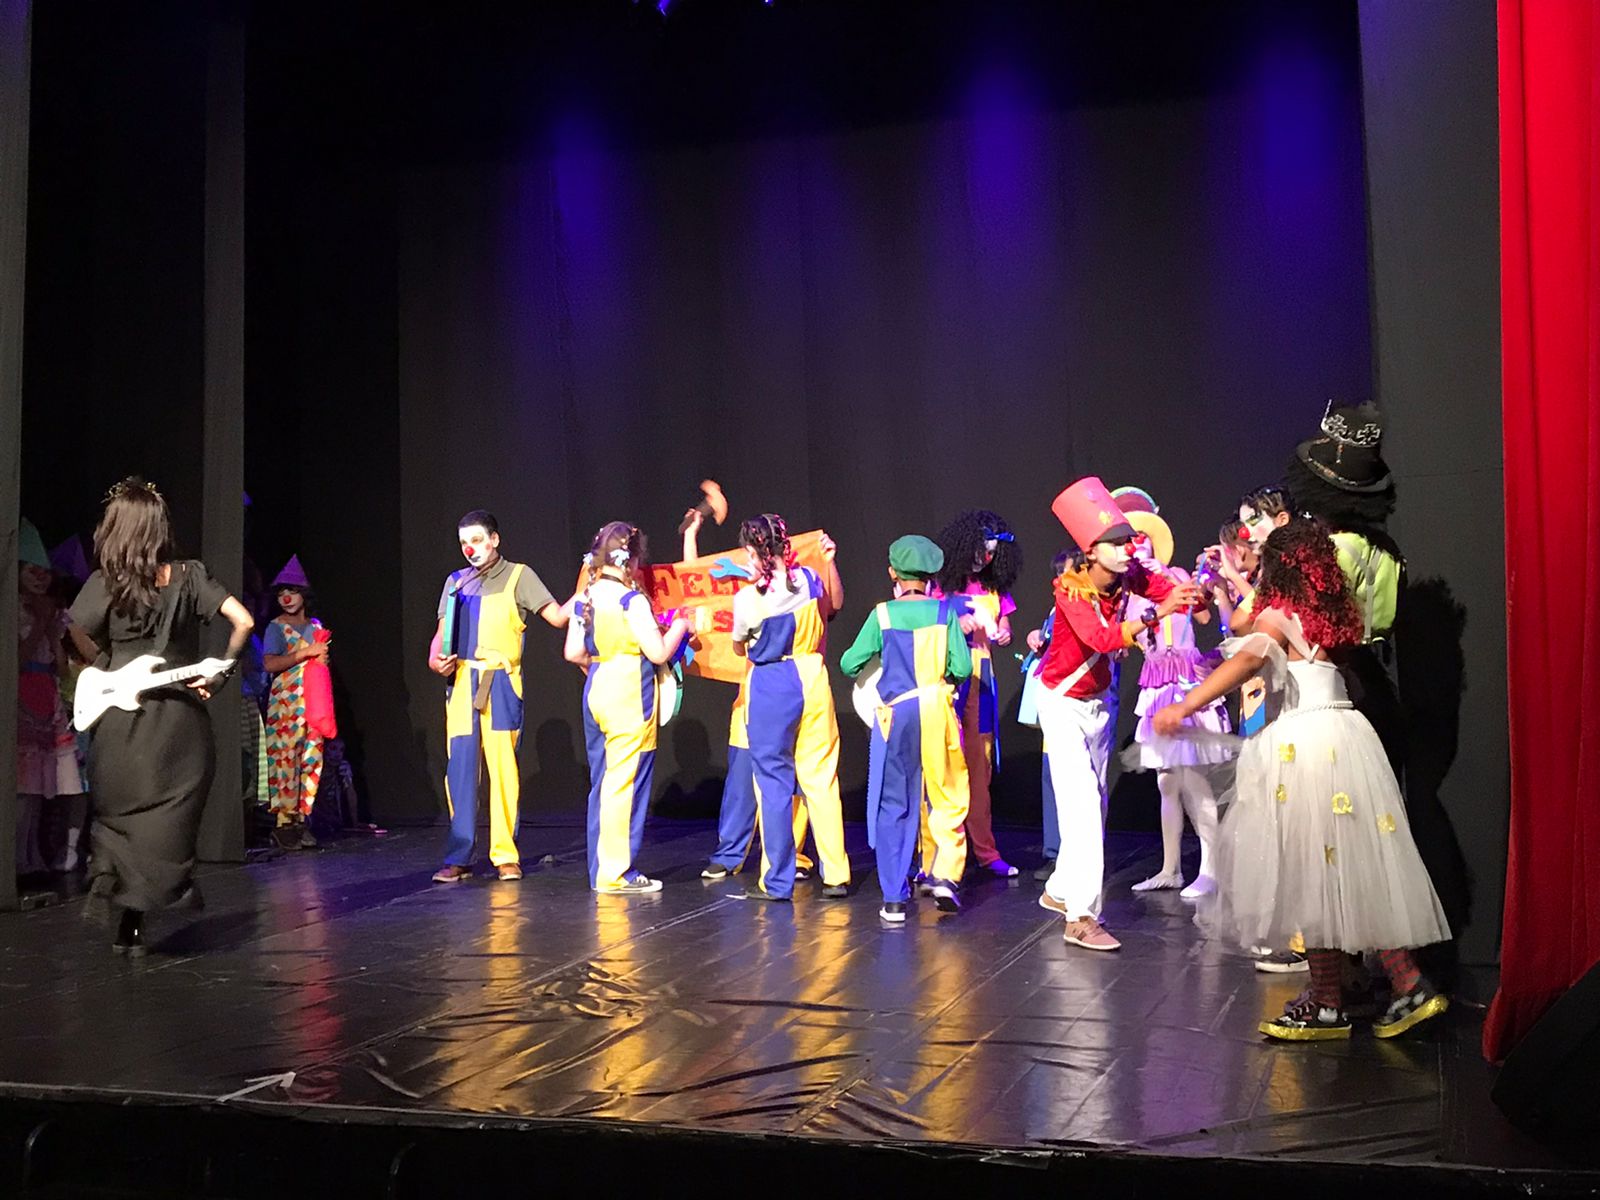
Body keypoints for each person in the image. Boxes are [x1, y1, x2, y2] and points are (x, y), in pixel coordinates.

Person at [1152, 520, 1450, 1041]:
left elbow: (1249, 659)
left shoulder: (1279, 616)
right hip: (1346, 736)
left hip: (1304, 745)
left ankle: (1330, 1001)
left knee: (1308, 872)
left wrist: (1185, 705)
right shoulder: (1335, 616)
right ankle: (1404, 984)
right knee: (1353, 866)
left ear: (1279, 568)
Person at [67, 478, 255, 954]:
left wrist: (104, 665)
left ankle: (119, 905)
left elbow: (74, 631)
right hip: (179, 725)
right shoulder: (190, 576)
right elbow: (244, 621)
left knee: (121, 817)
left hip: (122, 723)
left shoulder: (105, 583)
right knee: (167, 822)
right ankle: (140, 912)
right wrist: (220, 673)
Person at [1036, 478, 1201, 952]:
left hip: (1097, 704)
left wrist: (1194, 592)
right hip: (1062, 704)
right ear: (1091, 551)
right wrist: (1158, 613)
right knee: (1084, 808)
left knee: (1096, 805)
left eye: (1129, 540)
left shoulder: (1130, 576)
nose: (1128, 549)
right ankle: (1081, 917)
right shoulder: (1071, 591)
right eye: (1117, 543)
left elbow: (1167, 586)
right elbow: (1102, 639)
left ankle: (1060, 889)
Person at [429, 510, 566, 884]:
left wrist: (592, 586)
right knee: (460, 771)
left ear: (494, 540)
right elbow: (441, 635)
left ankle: (505, 855)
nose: (470, 549)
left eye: (476, 540)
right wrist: (435, 660)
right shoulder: (456, 582)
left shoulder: (520, 576)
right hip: (461, 683)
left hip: (501, 683)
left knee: (503, 768)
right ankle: (459, 856)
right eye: (464, 543)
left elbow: (557, 617)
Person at [841, 536, 972, 921]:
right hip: (936, 709)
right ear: (931, 576)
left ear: (892, 573)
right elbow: (962, 668)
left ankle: (894, 898)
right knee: (946, 795)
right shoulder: (944, 613)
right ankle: (944, 874)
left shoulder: (881, 615)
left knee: (895, 802)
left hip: (896, 714)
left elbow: (849, 663)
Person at [681, 508, 815, 885]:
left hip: (788, 688)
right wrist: (691, 535)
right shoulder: (743, 589)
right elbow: (696, 584)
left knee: (791, 780)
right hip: (751, 694)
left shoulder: (795, 585)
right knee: (743, 778)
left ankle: (790, 855)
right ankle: (730, 853)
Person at [729, 515, 849, 902]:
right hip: (812, 675)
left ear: (755, 552)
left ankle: (777, 880)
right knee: (821, 777)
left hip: (771, 681)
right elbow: (835, 605)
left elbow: (738, 647)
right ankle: (836, 874)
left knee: (773, 782)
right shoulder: (810, 579)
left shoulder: (748, 599)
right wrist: (829, 561)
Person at [566, 522, 690, 893]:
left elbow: (573, 652)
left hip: (597, 685)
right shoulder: (630, 601)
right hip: (629, 693)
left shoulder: (586, 597)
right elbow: (658, 652)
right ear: (631, 560)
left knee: (604, 783)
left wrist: (600, 666)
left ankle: (600, 869)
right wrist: (681, 625)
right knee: (626, 785)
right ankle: (615, 873)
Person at [1120, 501, 1231, 899]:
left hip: (1185, 679)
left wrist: (1175, 580)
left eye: (1142, 538)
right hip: (1156, 681)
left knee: (1195, 779)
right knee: (1166, 781)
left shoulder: (1177, 574)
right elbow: (1126, 636)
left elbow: (1202, 615)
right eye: (1131, 540)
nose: (1138, 544)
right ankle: (1170, 869)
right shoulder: (1128, 591)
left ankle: (1211, 869)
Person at [933, 510, 1021, 879]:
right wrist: (956, 624)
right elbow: (928, 625)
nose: (984, 558)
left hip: (982, 677)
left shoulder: (995, 590)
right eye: (980, 550)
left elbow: (1005, 626)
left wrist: (1004, 633)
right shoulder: (941, 586)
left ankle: (986, 851)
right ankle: (939, 853)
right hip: (948, 674)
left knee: (979, 766)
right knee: (943, 763)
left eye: (991, 554)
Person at [17, 518, 88, 877]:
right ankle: (18, 856)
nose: (40, 577)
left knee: (41, 789)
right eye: (32, 570)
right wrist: (42, 624)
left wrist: (55, 631)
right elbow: (18, 658)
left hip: (49, 699)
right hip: (22, 697)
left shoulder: (51, 612)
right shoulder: (14, 612)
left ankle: (33, 854)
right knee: (24, 786)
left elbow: (60, 668)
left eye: (44, 572)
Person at [261, 556, 327, 850]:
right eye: (281, 593)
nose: (286, 598)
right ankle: (284, 823)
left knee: (310, 758)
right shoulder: (276, 628)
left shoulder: (315, 626)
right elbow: (270, 664)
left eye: (292, 591)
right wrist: (305, 653)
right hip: (285, 706)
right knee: (285, 759)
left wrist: (321, 658)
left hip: (311, 701)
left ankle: (302, 820)